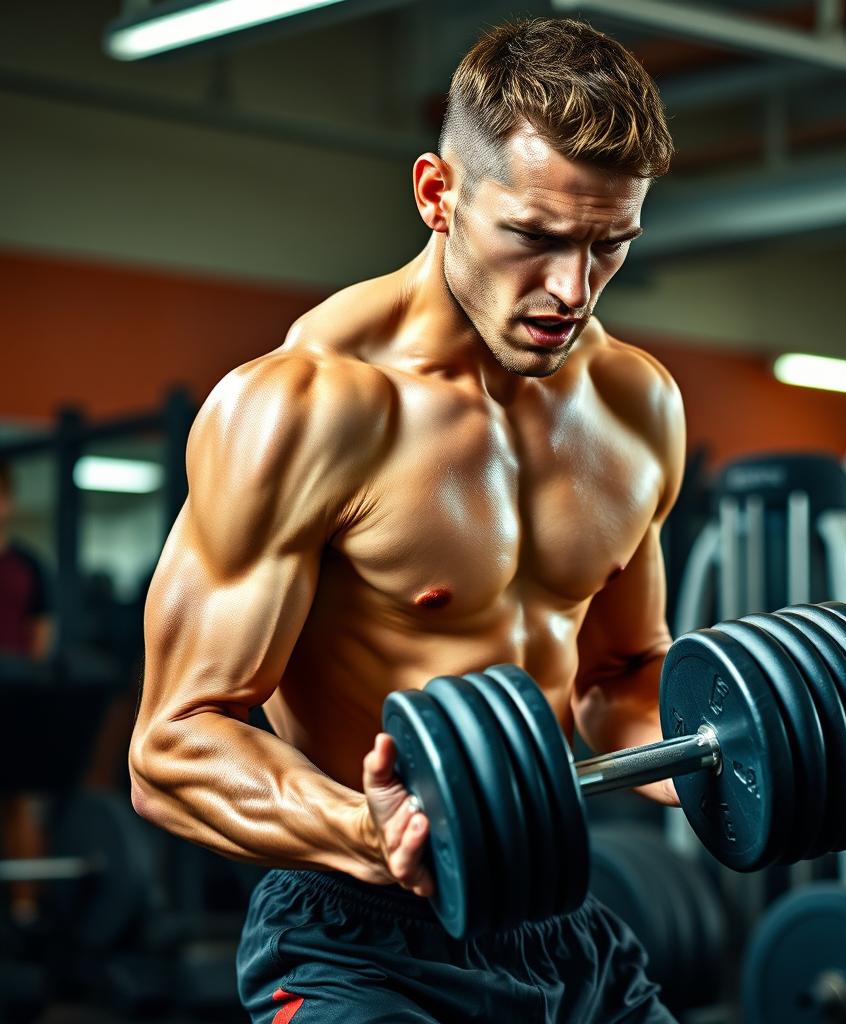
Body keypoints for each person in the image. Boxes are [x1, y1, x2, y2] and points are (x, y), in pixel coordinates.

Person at [130, 17, 684, 1023]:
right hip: (356, 931)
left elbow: (616, 680)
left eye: (609, 245)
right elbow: (172, 747)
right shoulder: (305, 409)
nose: (572, 289)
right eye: (535, 237)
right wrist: (365, 829)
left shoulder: (636, 408)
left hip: (559, 921)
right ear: (438, 194)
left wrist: (716, 744)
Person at [0, 459, 53, 925]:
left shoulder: (28, 565)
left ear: (8, 501)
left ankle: (25, 908)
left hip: (14, 697)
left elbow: (41, 634)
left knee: (20, 802)